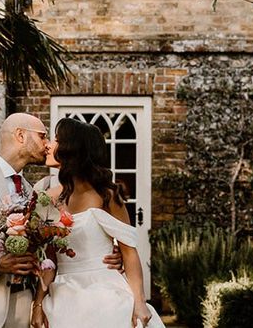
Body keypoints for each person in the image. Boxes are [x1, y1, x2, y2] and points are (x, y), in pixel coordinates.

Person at [0, 113, 122, 328]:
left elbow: (52, 249)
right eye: (42, 136)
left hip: (21, 312)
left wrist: (107, 257)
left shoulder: (36, 193)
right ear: (21, 135)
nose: (48, 144)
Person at [30, 117, 166, 328]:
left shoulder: (107, 195)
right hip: (63, 295)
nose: (48, 144)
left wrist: (140, 302)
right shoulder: (48, 198)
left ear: (72, 148)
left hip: (105, 295)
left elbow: (129, 252)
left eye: (56, 140)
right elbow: (49, 260)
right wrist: (38, 304)